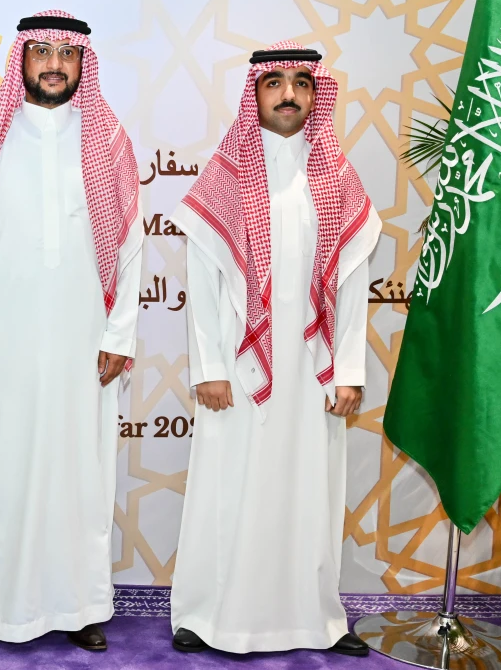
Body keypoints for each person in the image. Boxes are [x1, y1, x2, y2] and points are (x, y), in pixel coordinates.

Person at [168, 42, 380, 657]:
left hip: (313, 370)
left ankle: (316, 620)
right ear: (254, 93)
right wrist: (210, 367)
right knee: (226, 487)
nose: (289, 94)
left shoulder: (338, 179)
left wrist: (348, 371)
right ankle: (206, 617)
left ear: (316, 94)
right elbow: (203, 283)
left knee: (310, 491)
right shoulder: (225, 178)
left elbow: (353, 283)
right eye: (274, 82)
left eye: (301, 83)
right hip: (237, 369)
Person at [0, 10, 143, 652]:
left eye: (67, 53)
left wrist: (120, 334)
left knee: (79, 471)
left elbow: (131, 246)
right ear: (22, 60)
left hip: (84, 339)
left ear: (83, 62)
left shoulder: (108, 142)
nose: (55, 64)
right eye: (43, 51)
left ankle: (79, 604)